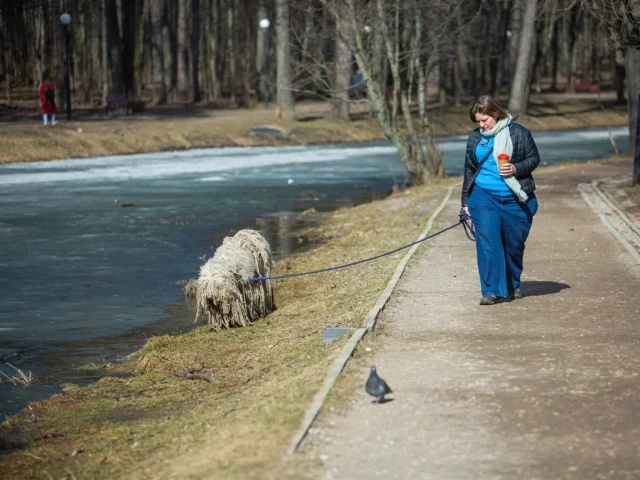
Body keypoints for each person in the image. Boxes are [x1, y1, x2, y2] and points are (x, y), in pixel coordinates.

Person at [461, 95, 540, 305]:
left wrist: (516, 168)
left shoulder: (520, 133)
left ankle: (512, 284)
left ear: (496, 114)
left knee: (513, 246)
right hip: (484, 196)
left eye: (484, 120)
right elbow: (469, 170)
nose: (481, 125)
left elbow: (534, 159)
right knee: (488, 244)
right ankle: (491, 291)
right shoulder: (475, 138)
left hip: (516, 198)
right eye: (477, 121)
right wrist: (466, 203)